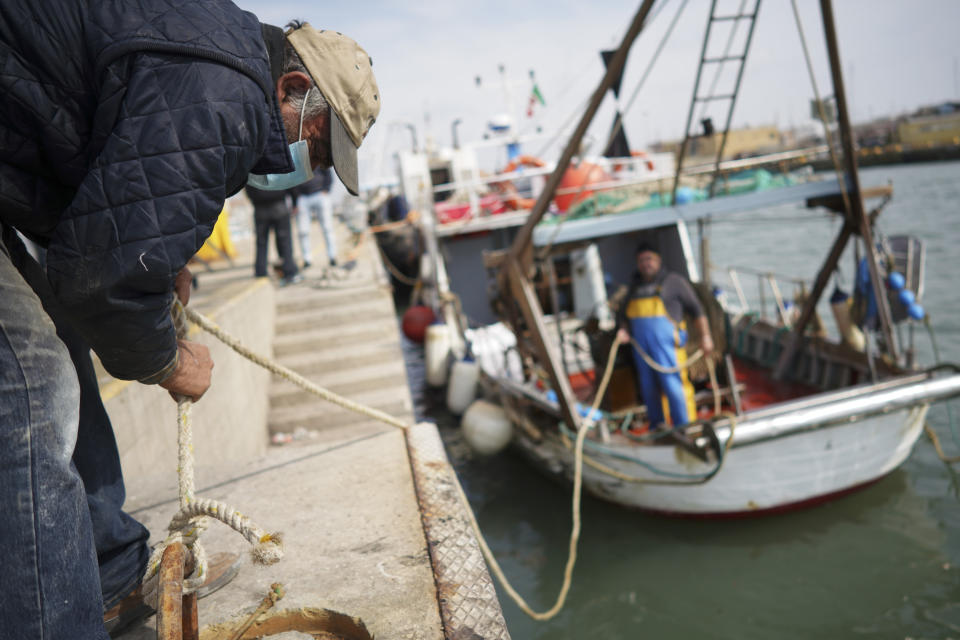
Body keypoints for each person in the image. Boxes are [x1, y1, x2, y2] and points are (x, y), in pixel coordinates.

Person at [0, 2, 380, 637]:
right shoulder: (225, 95)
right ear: (289, 87)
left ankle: (109, 571)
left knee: (58, 345)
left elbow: (93, 191)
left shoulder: (216, 56)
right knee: (33, 387)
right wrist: (167, 361)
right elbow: (102, 283)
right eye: (311, 141)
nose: (301, 161)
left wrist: (160, 259)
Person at [616, 243, 714, 429]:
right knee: (648, 389)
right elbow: (623, 317)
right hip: (642, 352)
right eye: (641, 260)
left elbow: (697, 310)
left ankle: (686, 427)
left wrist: (705, 337)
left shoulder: (674, 282)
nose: (646, 264)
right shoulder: (633, 288)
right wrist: (624, 329)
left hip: (668, 351)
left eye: (649, 259)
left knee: (674, 387)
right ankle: (658, 428)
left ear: (658, 260)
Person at [248, 184, 302, 285]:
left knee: (261, 242)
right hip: (279, 206)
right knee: (285, 241)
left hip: (260, 208)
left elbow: (247, 185)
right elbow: (289, 182)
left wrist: (255, 201)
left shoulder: (252, 169)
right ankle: (289, 271)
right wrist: (294, 203)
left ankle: (260, 271)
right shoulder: (277, 167)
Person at [293, 168, 337, 268]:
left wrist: (326, 189)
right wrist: (296, 197)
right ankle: (307, 259)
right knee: (303, 231)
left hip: (320, 194)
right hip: (303, 197)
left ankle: (332, 256)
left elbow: (328, 172)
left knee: (327, 228)